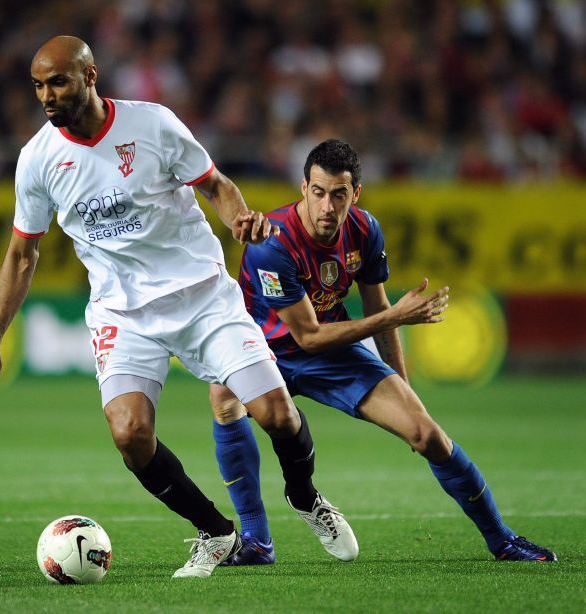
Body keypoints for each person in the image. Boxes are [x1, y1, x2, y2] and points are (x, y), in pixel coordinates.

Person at [0, 36, 358, 579]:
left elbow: (216, 185)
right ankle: (216, 532)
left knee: (277, 413)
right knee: (129, 433)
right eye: (38, 86)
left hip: (202, 295)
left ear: (89, 76)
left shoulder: (151, 125)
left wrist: (239, 219)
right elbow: (21, 253)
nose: (46, 96)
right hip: (121, 313)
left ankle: (304, 496)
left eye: (57, 82)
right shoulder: (37, 160)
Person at [210, 138, 557, 565]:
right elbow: (309, 337)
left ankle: (503, 540)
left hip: (331, 351)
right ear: (303, 189)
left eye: (339, 195)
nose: (327, 207)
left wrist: (408, 395)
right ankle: (257, 540)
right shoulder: (272, 245)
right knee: (223, 397)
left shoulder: (364, 230)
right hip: (262, 351)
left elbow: (376, 308)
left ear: (355, 193)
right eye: (318, 192)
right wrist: (395, 318)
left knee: (426, 433)